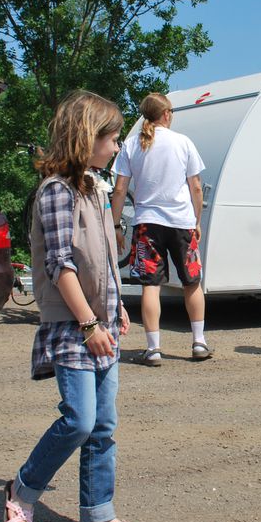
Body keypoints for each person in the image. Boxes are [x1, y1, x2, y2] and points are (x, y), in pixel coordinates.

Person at [3, 91, 148, 522]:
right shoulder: (56, 191)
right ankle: (21, 491)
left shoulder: (94, 186)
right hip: (73, 325)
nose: (117, 146)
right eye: (112, 137)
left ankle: (98, 513)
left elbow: (103, 259)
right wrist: (88, 324)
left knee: (104, 426)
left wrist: (117, 305)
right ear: (87, 136)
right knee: (80, 421)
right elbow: (60, 264)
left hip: (100, 322)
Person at [111, 93, 209, 366]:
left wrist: (116, 225)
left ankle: (153, 349)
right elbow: (196, 187)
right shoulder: (183, 142)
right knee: (191, 283)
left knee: (150, 287)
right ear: (166, 114)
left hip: (147, 224)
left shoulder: (131, 145)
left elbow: (119, 189)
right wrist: (197, 221)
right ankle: (199, 343)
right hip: (181, 223)